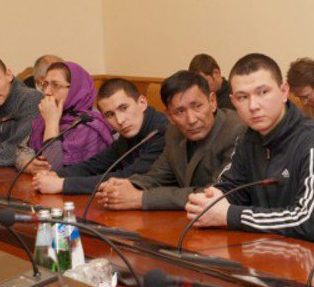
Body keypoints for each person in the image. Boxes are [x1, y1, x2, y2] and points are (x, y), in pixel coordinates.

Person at [185, 53, 314, 243]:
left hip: (309, 259)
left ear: (284, 92)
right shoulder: (246, 137)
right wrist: (212, 199)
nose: (253, 106)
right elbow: (232, 187)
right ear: (233, 101)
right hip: (259, 250)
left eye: (263, 92)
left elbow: (309, 221)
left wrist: (231, 215)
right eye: (243, 97)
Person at [95, 70, 245, 210]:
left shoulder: (236, 131)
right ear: (169, 116)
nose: (191, 119)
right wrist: (127, 185)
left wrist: (141, 198)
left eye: (197, 106)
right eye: (179, 111)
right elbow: (158, 176)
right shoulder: (174, 132)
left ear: (212, 102)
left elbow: (214, 194)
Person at [31, 78, 167, 195]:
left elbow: (129, 177)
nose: (119, 120)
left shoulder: (162, 131)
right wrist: (56, 175)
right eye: (110, 115)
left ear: (142, 102)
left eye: (123, 108)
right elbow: (96, 165)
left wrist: (63, 184)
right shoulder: (130, 131)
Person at [16, 62, 113, 174]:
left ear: (76, 89)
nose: (47, 92)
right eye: (45, 84)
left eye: (56, 85)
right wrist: (28, 165)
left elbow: (55, 170)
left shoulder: (88, 124)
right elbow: (22, 149)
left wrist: (51, 123)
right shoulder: (50, 115)